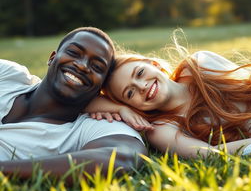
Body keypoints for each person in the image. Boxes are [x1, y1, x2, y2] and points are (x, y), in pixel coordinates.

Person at [0, 27, 147, 182]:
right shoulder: (9, 75)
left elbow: (124, 157)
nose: (82, 66)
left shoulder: (88, 127)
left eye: (97, 67)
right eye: (74, 53)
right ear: (52, 58)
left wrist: (4, 169)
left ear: (100, 88)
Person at [86, 37, 251, 158]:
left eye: (140, 73)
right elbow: (209, 155)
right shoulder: (161, 129)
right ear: (131, 106)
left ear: (154, 64)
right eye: (129, 93)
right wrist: (119, 109)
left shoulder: (199, 65)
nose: (141, 86)